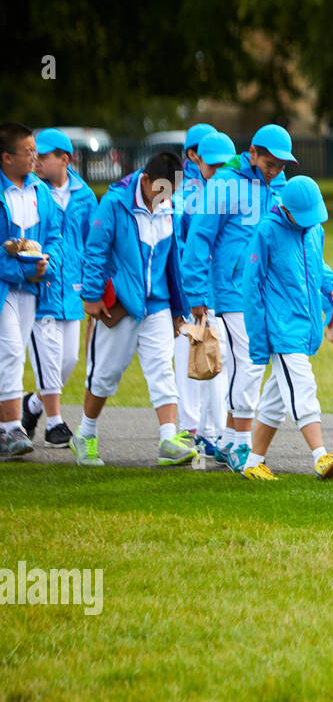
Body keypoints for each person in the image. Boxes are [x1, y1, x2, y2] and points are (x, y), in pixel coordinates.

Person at [183, 123, 295, 471]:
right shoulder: (224, 184)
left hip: (266, 291)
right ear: (253, 154)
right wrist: (197, 292)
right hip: (232, 291)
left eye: (281, 165)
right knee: (248, 362)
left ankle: (231, 440)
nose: (276, 170)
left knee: (249, 363)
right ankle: (242, 444)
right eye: (271, 162)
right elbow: (199, 238)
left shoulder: (280, 188)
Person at [74, 153, 195, 467]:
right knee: (104, 376)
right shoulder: (114, 204)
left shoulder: (170, 207)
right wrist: (91, 296)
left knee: (162, 370)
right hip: (121, 306)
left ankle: (169, 439)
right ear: (144, 181)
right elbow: (96, 250)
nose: (164, 200)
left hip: (157, 304)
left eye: (170, 193)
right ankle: (85, 435)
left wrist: (178, 308)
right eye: (160, 192)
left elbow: (173, 262)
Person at [239, 176, 333, 481]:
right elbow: (252, 287)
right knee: (303, 387)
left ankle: (253, 463)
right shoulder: (267, 231)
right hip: (281, 329)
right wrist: (259, 340)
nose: (308, 224)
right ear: (286, 210)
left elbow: (317, 267)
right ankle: (320, 455)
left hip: (303, 327)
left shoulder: (313, 230)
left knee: (275, 401)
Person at [22, 129, 96, 448]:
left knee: (69, 361)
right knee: (49, 358)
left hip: (72, 290)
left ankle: (32, 406)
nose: (36, 161)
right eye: (34, 154)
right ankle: (55, 422)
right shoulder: (32, 192)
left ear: (64, 159)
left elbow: (93, 243)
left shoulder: (86, 196)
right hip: (42, 287)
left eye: (45, 155)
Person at [0, 123, 58, 459]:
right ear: (6, 158)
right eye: (29, 152)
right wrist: (22, 268)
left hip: (32, 288)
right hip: (6, 286)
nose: (35, 158)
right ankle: (12, 429)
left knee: (14, 353)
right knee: (10, 353)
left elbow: (55, 238)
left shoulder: (41, 192)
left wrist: (45, 265)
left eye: (36, 151)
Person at [178, 129, 237, 458]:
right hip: (196, 296)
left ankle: (213, 433)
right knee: (198, 361)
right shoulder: (183, 196)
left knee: (221, 362)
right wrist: (191, 292)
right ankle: (198, 431)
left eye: (224, 164)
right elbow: (184, 247)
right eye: (212, 165)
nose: (218, 171)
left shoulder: (236, 190)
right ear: (195, 158)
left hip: (225, 292)